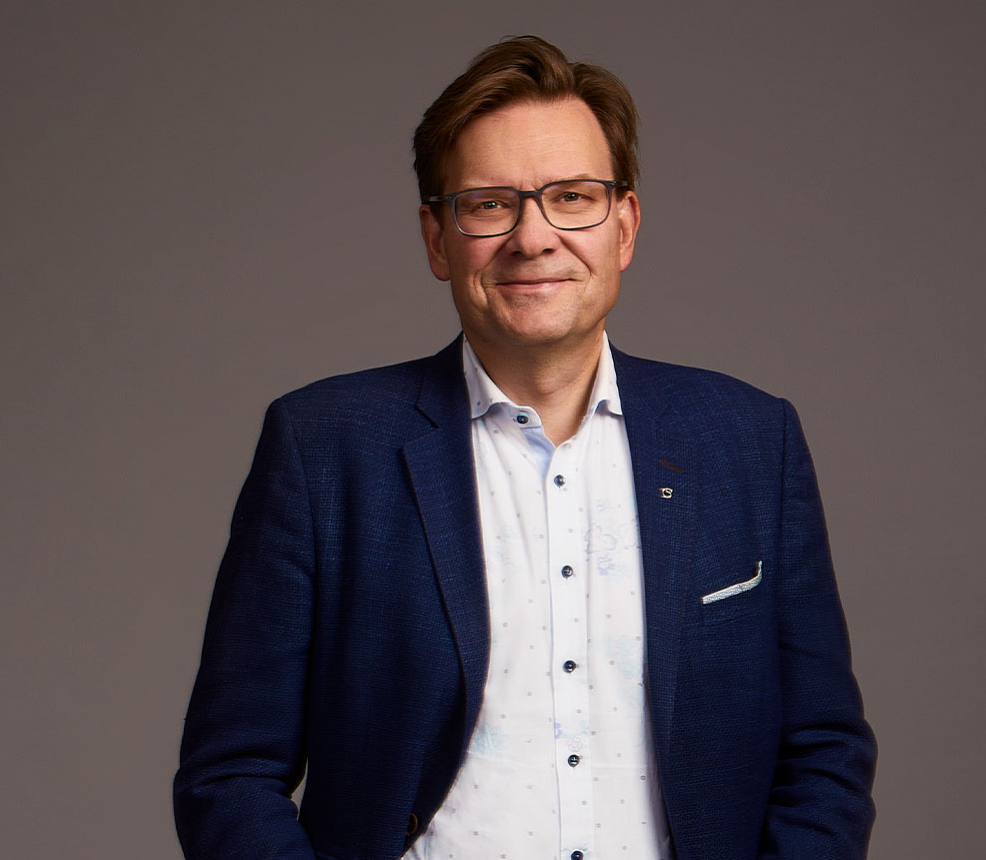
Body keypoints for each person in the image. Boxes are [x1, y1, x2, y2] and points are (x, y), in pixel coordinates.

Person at [172, 35, 875, 860]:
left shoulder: (750, 441)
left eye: (572, 197)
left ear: (625, 226)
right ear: (437, 239)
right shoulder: (323, 448)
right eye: (488, 203)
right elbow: (231, 774)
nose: (533, 237)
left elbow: (824, 755)